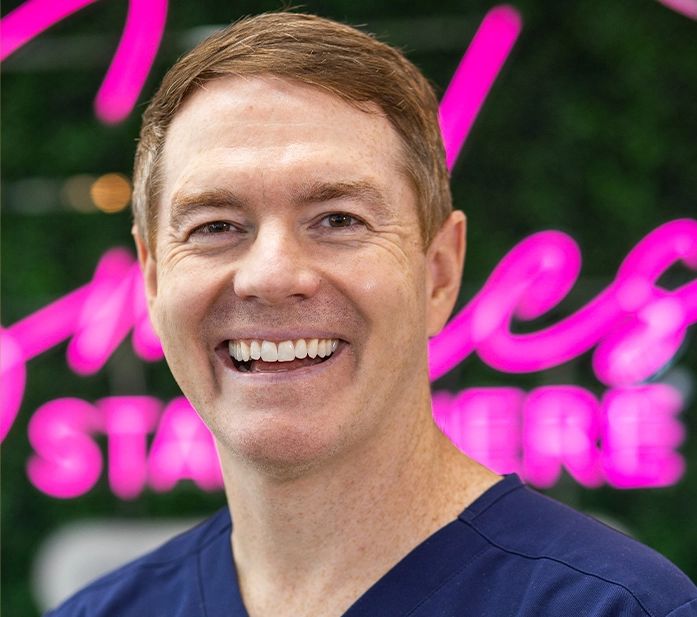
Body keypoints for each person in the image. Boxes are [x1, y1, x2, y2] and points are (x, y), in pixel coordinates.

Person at [47, 12, 696, 617]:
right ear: (153, 276)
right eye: (215, 226)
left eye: (338, 220)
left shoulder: (613, 606)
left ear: (439, 272)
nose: (272, 276)